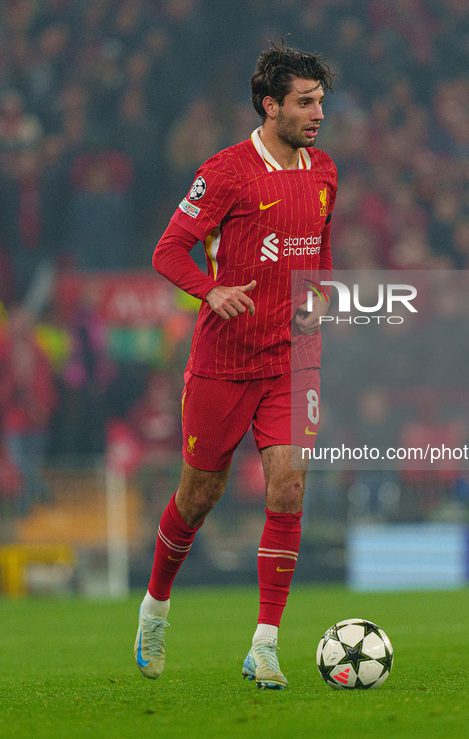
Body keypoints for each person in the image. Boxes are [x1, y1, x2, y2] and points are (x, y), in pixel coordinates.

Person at [134, 43, 337, 690]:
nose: (317, 113)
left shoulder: (326, 170)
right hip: (222, 363)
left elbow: (320, 256)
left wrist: (322, 306)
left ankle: (264, 643)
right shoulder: (225, 172)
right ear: (269, 104)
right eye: (305, 102)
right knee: (199, 496)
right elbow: (168, 251)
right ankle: (155, 606)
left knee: (288, 487)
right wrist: (210, 290)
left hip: (289, 360)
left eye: (320, 101)